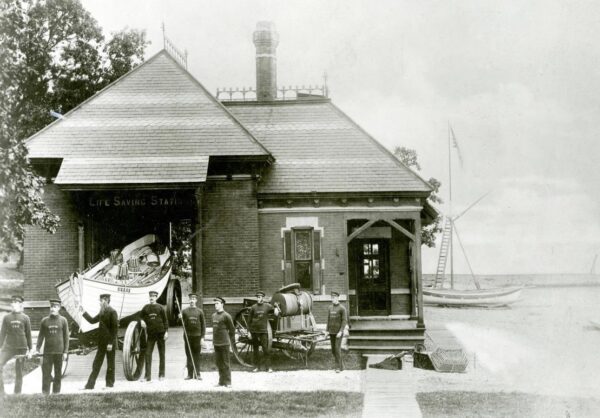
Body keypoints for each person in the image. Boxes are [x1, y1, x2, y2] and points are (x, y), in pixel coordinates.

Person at [80, 293, 118, 389]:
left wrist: (110, 343)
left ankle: (109, 385)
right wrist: (83, 312)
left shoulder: (113, 312)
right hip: (101, 343)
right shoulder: (102, 312)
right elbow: (92, 320)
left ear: (106, 300)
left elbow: (114, 330)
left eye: (100, 301)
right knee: (96, 363)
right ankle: (90, 385)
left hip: (109, 343)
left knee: (110, 363)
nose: (99, 303)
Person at [0, 295, 32, 396]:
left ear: (20, 304)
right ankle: (1, 392)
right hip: (8, 348)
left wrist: (30, 350)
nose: (13, 304)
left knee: (19, 371)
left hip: (21, 348)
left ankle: (17, 393)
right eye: (12, 302)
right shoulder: (6, 317)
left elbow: (28, 335)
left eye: (16, 302)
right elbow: (2, 334)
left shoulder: (25, 318)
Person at [36, 299, 69, 394]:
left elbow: (66, 337)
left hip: (59, 352)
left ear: (59, 308)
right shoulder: (45, 321)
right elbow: (40, 336)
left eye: (55, 307)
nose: (52, 309)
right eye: (51, 307)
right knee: (46, 374)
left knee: (58, 374)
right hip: (47, 352)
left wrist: (65, 352)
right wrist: (37, 349)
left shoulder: (63, 320)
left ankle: (56, 393)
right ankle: (45, 393)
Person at [140, 290, 168, 382]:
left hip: (161, 334)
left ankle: (162, 375)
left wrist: (166, 332)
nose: (151, 298)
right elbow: (139, 316)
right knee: (148, 354)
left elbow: (165, 321)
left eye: (153, 296)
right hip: (151, 335)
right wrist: (142, 321)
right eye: (150, 296)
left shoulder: (160, 307)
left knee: (162, 354)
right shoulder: (146, 308)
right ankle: (147, 377)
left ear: (156, 297)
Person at [248, 291, 279, 372]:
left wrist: (276, 308)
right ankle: (257, 367)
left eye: (260, 297)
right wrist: (249, 332)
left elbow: (275, 311)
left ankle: (268, 367)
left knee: (265, 349)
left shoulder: (267, 306)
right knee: (255, 350)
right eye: (257, 297)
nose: (258, 299)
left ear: (263, 298)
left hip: (263, 331)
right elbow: (249, 320)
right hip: (254, 331)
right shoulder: (253, 307)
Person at [178, 293, 205, 380]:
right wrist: (179, 318)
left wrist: (202, 337)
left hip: (197, 336)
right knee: (189, 355)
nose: (192, 300)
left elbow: (203, 325)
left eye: (193, 299)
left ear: (196, 300)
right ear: (189, 300)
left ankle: (197, 374)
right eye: (190, 299)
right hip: (188, 336)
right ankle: (190, 374)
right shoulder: (185, 311)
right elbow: (180, 323)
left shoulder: (200, 311)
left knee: (196, 355)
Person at [212, 297, 235, 388]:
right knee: (219, 363)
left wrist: (227, 339)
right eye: (215, 303)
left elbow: (232, 329)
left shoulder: (226, 316)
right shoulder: (213, 315)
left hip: (224, 343)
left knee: (226, 363)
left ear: (222, 304)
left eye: (217, 303)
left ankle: (228, 382)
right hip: (216, 343)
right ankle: (221, 381)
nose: (215, 305)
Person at [326, 291, 348, 373]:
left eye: (334, 298)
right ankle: (342, 366)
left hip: (338, 333)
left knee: (337, 349)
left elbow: (344, 321)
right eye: (332, 298)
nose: (333, 299)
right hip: (331, 332)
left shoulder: (342, 308)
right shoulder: (330, 308)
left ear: (338, 298)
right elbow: (328, 320)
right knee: (333, 350)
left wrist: (341, 331)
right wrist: (326, 331)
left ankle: (338, 367)